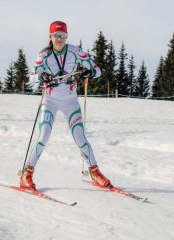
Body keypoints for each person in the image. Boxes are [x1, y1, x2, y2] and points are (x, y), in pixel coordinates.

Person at [20, 21, 111, 190]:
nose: (60, 39)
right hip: (50, 100)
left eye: (63, 36)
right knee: (43, 136)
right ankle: (26, 174)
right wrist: (42, 77)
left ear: (67, 36)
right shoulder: (44, 55)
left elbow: (97, 70)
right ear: (50, 37)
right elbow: (31, 76)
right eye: (56, 36)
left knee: (80, 137)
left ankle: (95, 172)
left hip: (70, 100)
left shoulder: (75, 51)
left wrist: (89, 71)